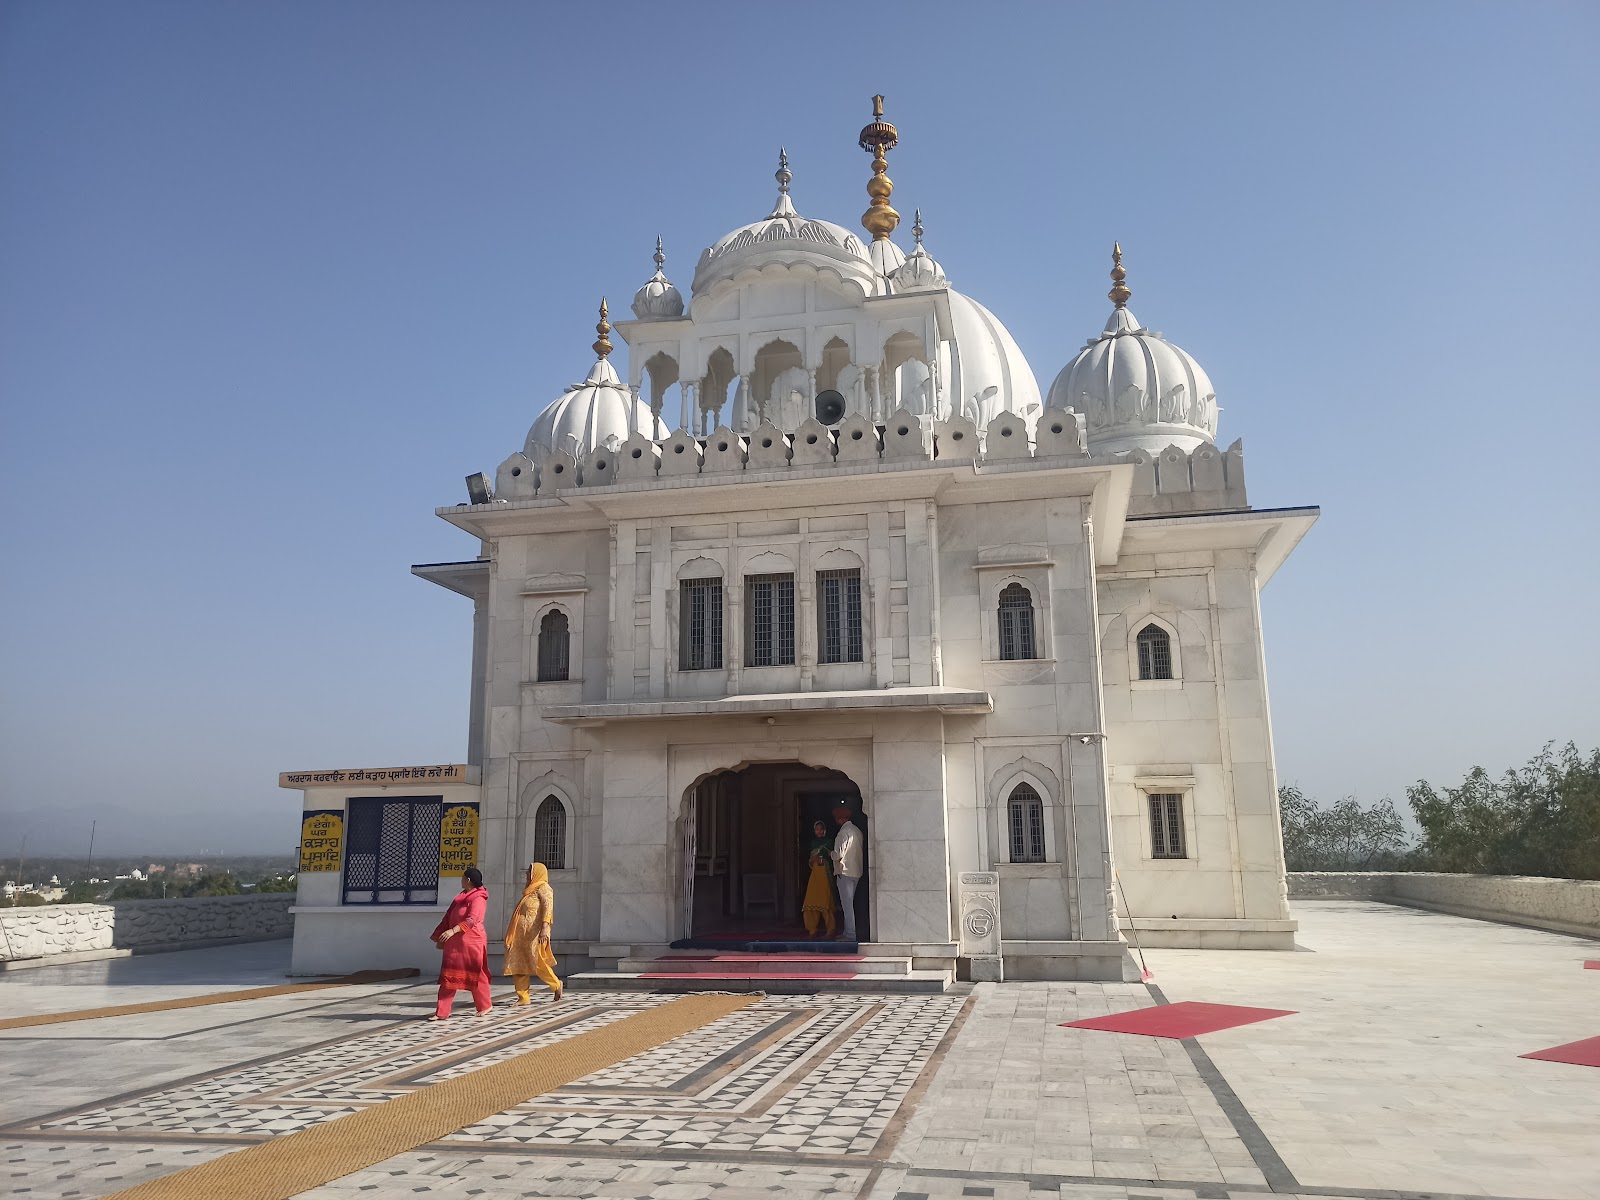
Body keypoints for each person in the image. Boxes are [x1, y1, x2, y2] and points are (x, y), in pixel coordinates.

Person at [429, 867, 491, 1020]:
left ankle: (485, 1005)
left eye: (462, 878)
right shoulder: (460, 898)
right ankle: (441, 1012)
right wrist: (441, 934)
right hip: (455, 944)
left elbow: (471, 920)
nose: (461, 880)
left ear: (468, 880)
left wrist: (452, 931)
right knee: (449, 976)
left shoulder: (478, 898)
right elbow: (448, 917)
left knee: (476, 974)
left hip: (472, 942)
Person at [503, 861, 563, 1004]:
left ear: (537, 873)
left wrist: (545, 927)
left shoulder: (544, 888)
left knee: (538, 962)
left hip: (535, 934)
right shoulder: (529, 892)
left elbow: (548, 907)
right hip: (521, 936)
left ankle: (556, 984)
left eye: (530, 871)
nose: (527, 874)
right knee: (518, 964)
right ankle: (523, 997)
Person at [830, 804, 864, 942]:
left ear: (839, 819)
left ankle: (850, 934)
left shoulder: (843, 833)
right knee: (849, 904)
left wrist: (830, 853)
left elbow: (838, 854)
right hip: (856, 871)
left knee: (847, 905)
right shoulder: (856, 830)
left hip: (845, 872)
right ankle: (847, 932)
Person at [801, 819, 837, 939]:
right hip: (815, 876)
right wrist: (814, 860)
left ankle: (831, 929)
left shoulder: (829, 842)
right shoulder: (813, 843)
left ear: (825, 830)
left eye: (821, 829)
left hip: (825, 875)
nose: (819, 831)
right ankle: (812, 930)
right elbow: (810, 862)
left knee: (825, 902)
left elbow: (833, 858)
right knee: (811, 901)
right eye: (817, 829)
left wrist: (823, 860)